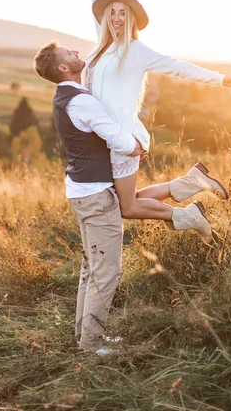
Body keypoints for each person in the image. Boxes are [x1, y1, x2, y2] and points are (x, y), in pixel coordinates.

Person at [33, 42, 214, 352]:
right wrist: (135, 146)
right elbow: (115, 136)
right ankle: (91, 344)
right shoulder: (81, 101)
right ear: (63, 68)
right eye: (69, 54)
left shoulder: (65, 97)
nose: (76, 52)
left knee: (91, 268)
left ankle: (84, 335)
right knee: (105, 272)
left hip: (82, 192)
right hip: (94, 195)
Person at [85, 0, 231, 225]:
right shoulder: (101, 47)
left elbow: (179, 67)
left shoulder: (136, 51)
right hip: (103, 137)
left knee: (126, 206)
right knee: (128, 199)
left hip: (122, 138)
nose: (116, 18)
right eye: (112, 13)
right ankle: (189, 183)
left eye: (122, 14)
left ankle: (190, 217)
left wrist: (220, 79)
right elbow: (95, 1)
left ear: (131, 19)